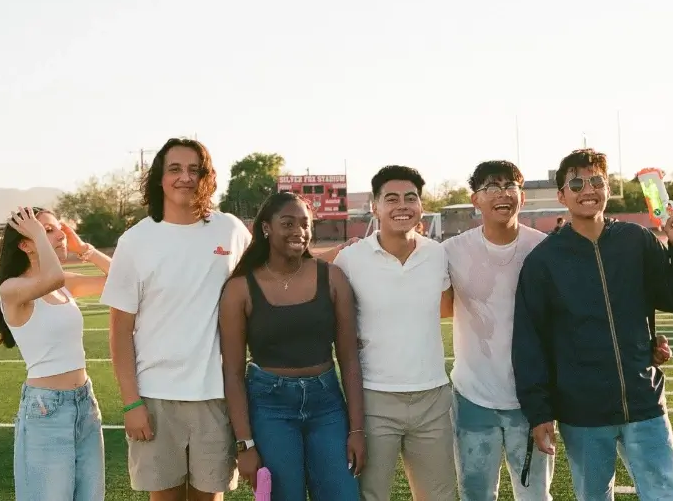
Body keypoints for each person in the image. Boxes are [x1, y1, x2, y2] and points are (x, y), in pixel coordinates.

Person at [512, 148, 673, 501]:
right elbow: (530, 342)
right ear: (561, 196)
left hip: (643, 401)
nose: (588, 188)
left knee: (664, 494)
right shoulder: (544, 261)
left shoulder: (636, 240)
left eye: (596, 180)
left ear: (608, 187)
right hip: (582, 412)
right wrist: (539, 412)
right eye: (576, 182)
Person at [100, 138, 252, 501]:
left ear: (206, 178)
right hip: (155, 399)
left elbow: (274, 271)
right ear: (159, 178)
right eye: (175, 169)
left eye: (194, 170)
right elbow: (120, 330)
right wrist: (131, 403)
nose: (185, 177)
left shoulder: (229, 230)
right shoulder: (135, 241)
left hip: (215, 396)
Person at [219, 191, 365, 500]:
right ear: (266, 228)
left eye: (305, 223)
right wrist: (245, 443)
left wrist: (356, 430)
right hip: (269, 406)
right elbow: (232, 372)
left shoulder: (332, 278)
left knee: (343, 494)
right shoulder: (240, 288)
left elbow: (350, 359)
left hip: (326, 404)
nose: (298, 231)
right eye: (288, 223)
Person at [332, 165, 457, 501]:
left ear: (421, 205)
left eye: (410, 198)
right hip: (374, 399)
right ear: (375, 207)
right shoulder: (350, 258)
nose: (402, 205)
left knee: (441, 495)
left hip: (432, 398)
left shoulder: (437, 254)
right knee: (371, 495)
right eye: (392, 198)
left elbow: (446, 308)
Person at [440, 161, 554, 500]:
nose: (502, 194)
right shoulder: (452, 251)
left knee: (534, 495)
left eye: (510, 186)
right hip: (473, 395)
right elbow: (434, 304)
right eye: (491, 186)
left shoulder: (545, 249)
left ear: (523, 196)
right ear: (475, 199)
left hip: (530, 398)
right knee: (475, 494)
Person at [0, 206, 112, 501]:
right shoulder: (12, 288)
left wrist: (85, 249)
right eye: (48, 230)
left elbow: (121, 279)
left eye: (59, 229)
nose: (60, 235)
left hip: (85, 405)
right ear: (25, 244)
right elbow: (52, 277)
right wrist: (44, 240)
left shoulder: (62, 283)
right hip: (46, 412)